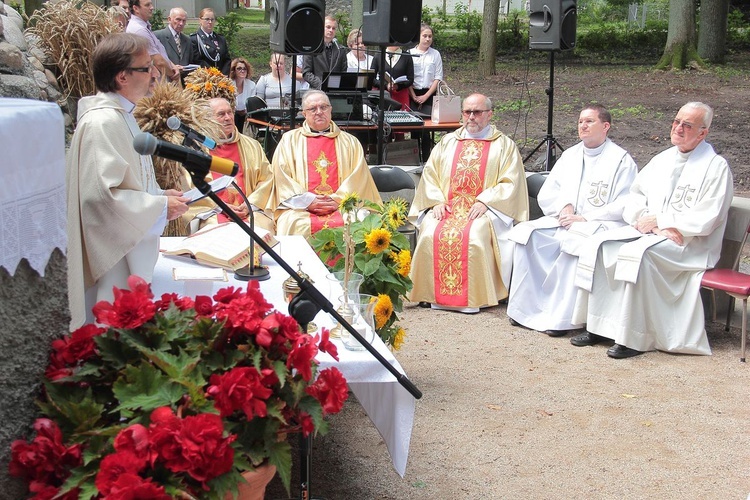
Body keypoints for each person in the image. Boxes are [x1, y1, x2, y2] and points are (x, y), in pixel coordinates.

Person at [570, 102, 733, 358]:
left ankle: (634, 337)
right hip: (653, 233)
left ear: (702, 133)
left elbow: (709, 216)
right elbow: (635, 196)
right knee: (602, 246)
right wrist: (646, 221)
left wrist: (664, 222)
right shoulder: (663, 159)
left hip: (688, 245)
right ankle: (599, 326)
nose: (678, 128)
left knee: (639, 258)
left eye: (686, 125)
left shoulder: (716, 167)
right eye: (676, 121)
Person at [66, 33, 189, 329]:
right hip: (113, 260)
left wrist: (159, 194)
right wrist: (159, 207)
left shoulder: (123, 115)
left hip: (127, 246)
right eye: (146, 68)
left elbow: (127, 182)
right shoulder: (102, 122)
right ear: (122, 76)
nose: (155, 74)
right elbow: (100, 198)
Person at [506, 104, 638, 335]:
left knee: (573, 243)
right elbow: (550, 190)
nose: (582, 126)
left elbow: (625, 203)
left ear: (605, 126)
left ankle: (561, 319)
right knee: (528, 235)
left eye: (589, 121)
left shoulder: (621, 160)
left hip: (600, 225)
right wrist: (564, 206)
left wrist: (585, 217)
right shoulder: (571, 155)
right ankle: (524, 310)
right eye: (580, 122)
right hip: (566, 220)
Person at [408, 93, 529, 313]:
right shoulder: (448, 142)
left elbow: (511, 182)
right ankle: (429, 295)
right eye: (467, 112)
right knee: (429, 232)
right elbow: (430, 174)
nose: (471, 117)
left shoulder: (504, 145)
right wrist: (436, 201)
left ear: (489, 114)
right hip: (447, 206)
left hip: (482, 210)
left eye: (477, 112)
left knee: (473, 237)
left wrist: (487, 202)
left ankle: (477, 297)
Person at [270, 90, 381, 236]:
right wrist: (308, 201)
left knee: (358, 220)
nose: (319, 112)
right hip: (302, 208)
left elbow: (359, 179)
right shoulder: (289, 140)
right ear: (304, 113)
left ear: (330, 110)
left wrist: (338, 200)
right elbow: (282, 178)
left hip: (342, 207)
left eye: (323, 107)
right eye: (313, 109)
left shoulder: (350, 142)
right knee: (292, 223)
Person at [188, 98, 275, 232]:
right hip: (214, 211)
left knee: (262, 228)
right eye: (221, 114)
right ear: (207, 119)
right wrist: (220, 206)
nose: (228, 118)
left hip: (248, 209)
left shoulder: (252, 145)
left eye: (230, 112)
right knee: (213, 231)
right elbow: (191, 187)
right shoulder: (196, 148)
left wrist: (250, 204)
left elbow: (266, 179)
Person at [408, 23, 443, 161]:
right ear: (419, 37)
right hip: (413, 93)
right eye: (425, 36)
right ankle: (415, 159)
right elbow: (408, 77)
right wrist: (414, 95)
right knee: (414, 128)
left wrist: (427, 95)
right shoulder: (410, 53)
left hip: (429, 93)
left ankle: (427, 159)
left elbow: (438, 77)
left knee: (427, 129)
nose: (427, 39)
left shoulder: (435, 54)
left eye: (430, 36)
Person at [126, 0, 178, 81]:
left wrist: (172, 65)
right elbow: (158, 62)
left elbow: (159, 52)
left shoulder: (142, 27)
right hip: (153, 85)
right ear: (136, 8)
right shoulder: (139, 30)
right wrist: (174, 75)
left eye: (151, 4)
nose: (152, 7)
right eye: (147, 5)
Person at [302, 15, 347, 89]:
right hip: (317, 90)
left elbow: (343, 72)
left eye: (333, 28)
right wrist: (322, 84)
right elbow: (306, 73)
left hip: (335, 91)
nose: (331, 30)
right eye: (328, 27)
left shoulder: (340, 50)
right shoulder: (312, 48)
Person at [371, 45, 414, 110]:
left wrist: (398, 86)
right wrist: (385, 85)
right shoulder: (378, 55)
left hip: (401, 95)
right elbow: (371, 79)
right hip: (383, 95)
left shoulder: (407, 56)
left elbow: (410, 79)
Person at [190, 8, 231, 75]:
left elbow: (227, 59)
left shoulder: (220, 39)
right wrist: (213, 73)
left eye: (212, 19)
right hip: (204, 77)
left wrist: (223, 74)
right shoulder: (194, 39)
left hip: (222, 77)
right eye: (207, 19)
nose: (210, 22)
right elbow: (197, 60)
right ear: (200, 20)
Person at [153, 8, 193, 76]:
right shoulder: (157, 36)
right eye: (178, 19)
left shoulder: (187, 40)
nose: (181, 23)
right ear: (169, 19)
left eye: (184, 21)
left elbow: (190, 62)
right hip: (165, 81)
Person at [230, 58, 256, 132]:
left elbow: (251, 103)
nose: (242, 71)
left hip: (245, 116)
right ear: (234, 71)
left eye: (245, 69)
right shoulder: (229, 84)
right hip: (232, 115)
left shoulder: (251, 85)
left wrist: (245, 111)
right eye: (239, 68)